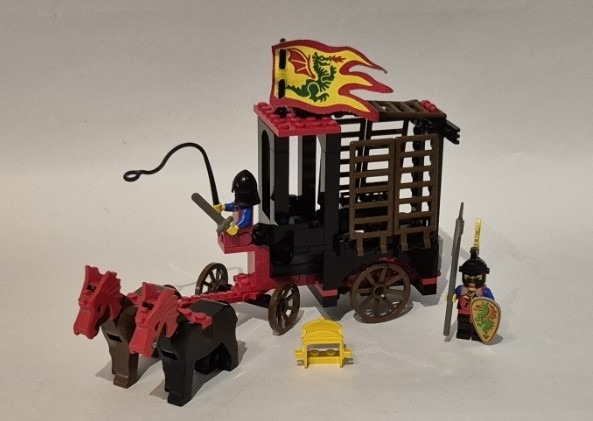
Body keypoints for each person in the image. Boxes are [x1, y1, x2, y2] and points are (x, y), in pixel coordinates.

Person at [453, 248, 494, 341]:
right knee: (463, 323)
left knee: (477, 325)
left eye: (476, 278)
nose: (472, 281)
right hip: (463, 311)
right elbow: (454, 294)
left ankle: (477, 335)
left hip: (478, 313)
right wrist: (452, 296)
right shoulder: (461, 288)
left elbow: (491, 303)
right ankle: (463, 333)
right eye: (468, 277)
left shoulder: (484, 291)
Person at [214, 169, 260, 236]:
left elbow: (245, 220)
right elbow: (234, 206)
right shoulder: (239, 205)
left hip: (243, 234)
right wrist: (223, 207)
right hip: (238, 232)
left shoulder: (246, 209)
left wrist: (236, 227)